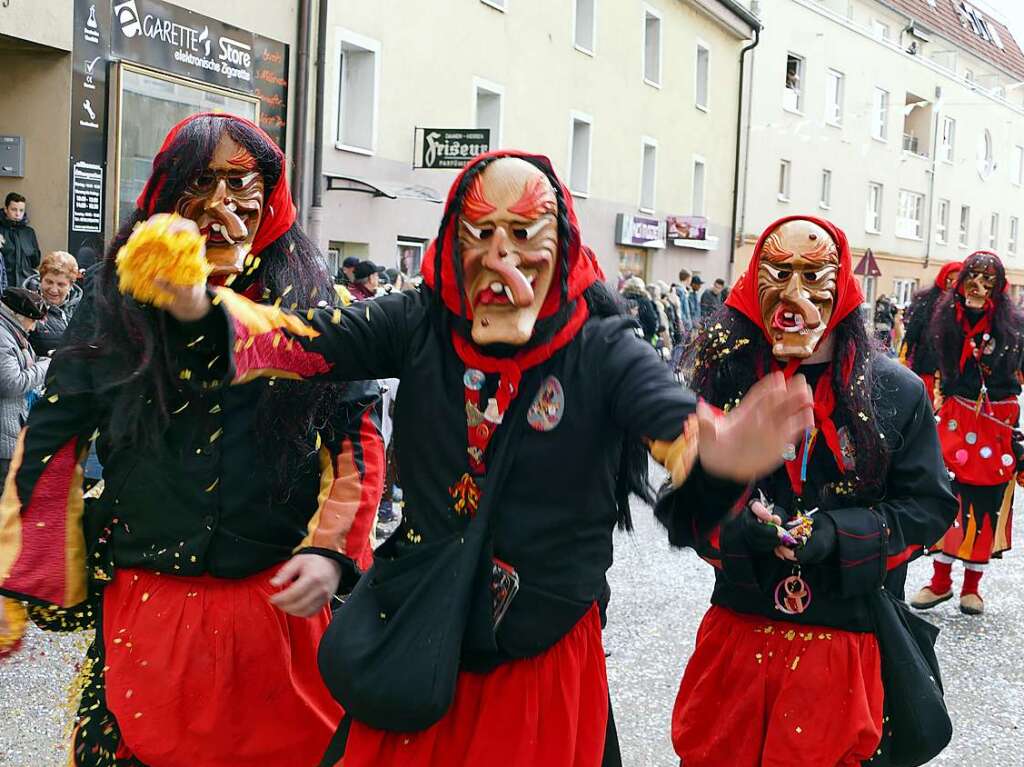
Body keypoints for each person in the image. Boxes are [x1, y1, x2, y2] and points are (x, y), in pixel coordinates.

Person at [140, 151, 814, 766]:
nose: (500, 255)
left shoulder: (600, 347)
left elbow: (674, 421)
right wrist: (202, 308)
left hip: (539, 652)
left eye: (523, 233)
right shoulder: (421, 320)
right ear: (452, 237)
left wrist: (726, 450)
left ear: (563, 242)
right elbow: (308, 340)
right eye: (481, 231)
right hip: (422, 625)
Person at [0, 113, 386, 767]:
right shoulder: (115, 297)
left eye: (241, 181)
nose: (221, 201)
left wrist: (333, 552)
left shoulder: (309, 301)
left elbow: (357, 438)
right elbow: (54, 432)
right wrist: (22, 569)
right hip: (150, 606)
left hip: (278, 607)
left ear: (270, 195)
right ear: (167, 190)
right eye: (201, 179)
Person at [666, 215, 957, 767]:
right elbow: (684, 503)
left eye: (812, 274)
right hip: (739, 633)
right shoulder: (723, 384)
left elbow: (929, 506)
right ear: (756, 281)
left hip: (847, 642)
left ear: (840, 283)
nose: (795, 294)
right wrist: (734, 526)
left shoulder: (896, 391)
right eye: (779, 273)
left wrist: (840, 535)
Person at [911, 251, 1024, 616]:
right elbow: (926, 363)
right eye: (971, 280)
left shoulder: (1015, 326)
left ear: (999, 288)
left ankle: (971, 587)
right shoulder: (947, 321)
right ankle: (940, 581)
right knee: (948, 491)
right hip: (958, 414)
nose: (977, 288)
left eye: (987, 282)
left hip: (995, 421)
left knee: (986, 498)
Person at [0, 286, 49, 478]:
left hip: (12, 433)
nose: (34, 327)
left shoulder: (11, 331)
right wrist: (47, 366)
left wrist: (43, 360)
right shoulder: (3, 337)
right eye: (33, 321)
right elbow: (12, 382)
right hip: (4, 441)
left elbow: (23, 364)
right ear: (17, 315)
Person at [901, 261, 962, 405]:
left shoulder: (965, 305)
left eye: (957, 281)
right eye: (949, 280)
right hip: (926, 365)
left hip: (954, 373)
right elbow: (912, 332)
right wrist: (905, 356)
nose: (952, 284)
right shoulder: (928, 302)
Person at [24, 250, 84, 356]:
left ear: (71, 285)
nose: (53, 290)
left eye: (61, 284)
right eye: (49, 282)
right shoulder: (24, 308)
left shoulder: (83, 307)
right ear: (40, 279)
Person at [0, 192, 41, 290]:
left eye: (21, 210)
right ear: (6, 209)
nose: (18, 214)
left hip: (26, 285)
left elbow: (36, 260)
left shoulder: (29, 232)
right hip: (4, 285)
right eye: (14, 209)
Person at [620, 275, 660, 343]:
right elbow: (652, 324)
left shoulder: (621, 299)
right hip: (642, 341)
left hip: (623, 339)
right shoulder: (644, 301)